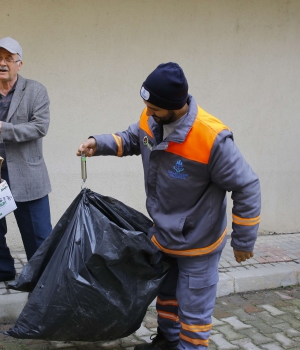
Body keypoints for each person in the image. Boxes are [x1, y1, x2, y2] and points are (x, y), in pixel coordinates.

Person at [77, 63, 261, 350]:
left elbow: (246, 185)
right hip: (164, 235)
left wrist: (243, 239)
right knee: (167, 295)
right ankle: (167, 341)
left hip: (198, 241)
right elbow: (131, 138)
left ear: (175, 108)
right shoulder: (152, 119)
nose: (148, 114)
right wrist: (97, 143)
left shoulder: (211, 138)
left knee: (193, 310)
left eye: (154, 109)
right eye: (146, 107)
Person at [0, 37, 53, 287]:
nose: (2, 63)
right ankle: (3, 270)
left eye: (8, 58)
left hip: (27, 170)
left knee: (36, 232)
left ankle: (39, 278)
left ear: (19, 64)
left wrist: (5, 130)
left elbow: (39, 127)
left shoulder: (36, 91)